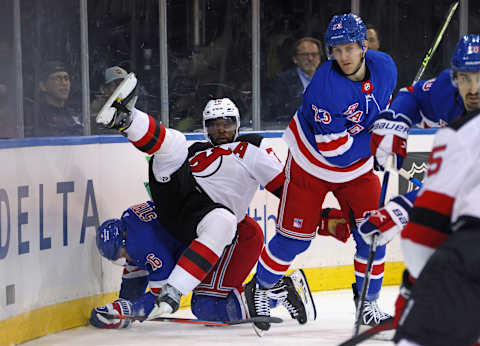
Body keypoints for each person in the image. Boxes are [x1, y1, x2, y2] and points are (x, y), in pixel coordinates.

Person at [94, 81, 316, 324]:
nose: (221, 130)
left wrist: (319, 214)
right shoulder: (194, 150)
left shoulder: (252, 147)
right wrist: (124, 309)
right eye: (214, 125)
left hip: (225, 226)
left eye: (227, 123)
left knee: (207, 301)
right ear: (204, 128)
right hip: (182, 207)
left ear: (238, 124)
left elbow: (286, 189)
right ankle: (127, 119)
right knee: (174, 146)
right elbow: (136, 273)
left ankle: (129, 119)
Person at [244, 13, 398, 332]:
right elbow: (336, 152)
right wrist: (376, 142)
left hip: (357, 168)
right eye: (336, 50)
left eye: (349, 48)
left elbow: (387, 107)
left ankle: (367, 304)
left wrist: (397, 122)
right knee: (293, 241)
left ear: (363, 45)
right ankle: (260, 287)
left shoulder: (385, 67)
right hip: (311, 162)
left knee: (373, 234)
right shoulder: (324, 89)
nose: (342, 56)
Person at [370, 34, 480, 173]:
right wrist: (394, 121)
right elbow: (412, 96)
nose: (474, 89)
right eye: (465, 78)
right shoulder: (446, 91)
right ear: (455, 78)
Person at [264, 37, 323, 125]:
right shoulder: (282, 81)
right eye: (305, 55)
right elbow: (278, 114)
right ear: (295, 59)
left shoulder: (329, 80)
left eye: (314, 54)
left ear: (319, 58)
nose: (310, 58)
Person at [25, 60, 83, 137]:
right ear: (43, 86)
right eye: (57, 78)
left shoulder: (74, 113)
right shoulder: (35, 115)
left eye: (66, 78)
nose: (64, 83)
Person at [90, 66, 129, 134]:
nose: (121, 89)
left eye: (124, 85)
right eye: (116, 85)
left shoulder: (130, 110)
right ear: (103, 89)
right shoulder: (94, 114)